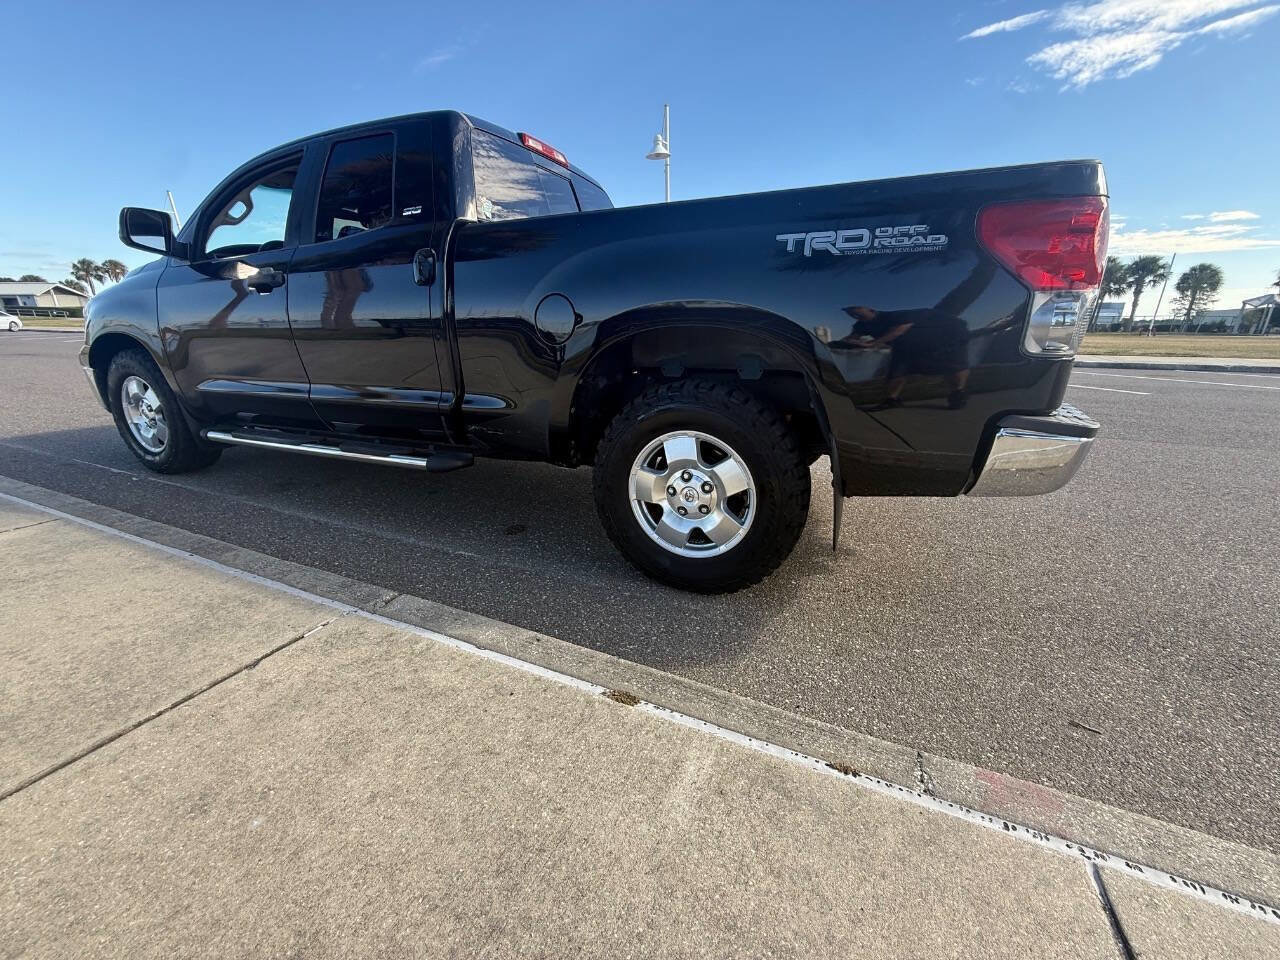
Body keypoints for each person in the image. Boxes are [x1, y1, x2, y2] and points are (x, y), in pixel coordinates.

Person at [839, 305, 970, 409]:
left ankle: (958, 393)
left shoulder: (893, 316)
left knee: (954, 365)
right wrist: (846, 342)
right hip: (906, 346)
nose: (856, 317)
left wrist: (874, 343)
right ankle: (892, 400)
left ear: (872, 311)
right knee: (897, 371)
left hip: (945, 336)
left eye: (859, 314)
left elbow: (899, 330)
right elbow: (852, 337)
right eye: (853, 315)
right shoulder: (861, 325)